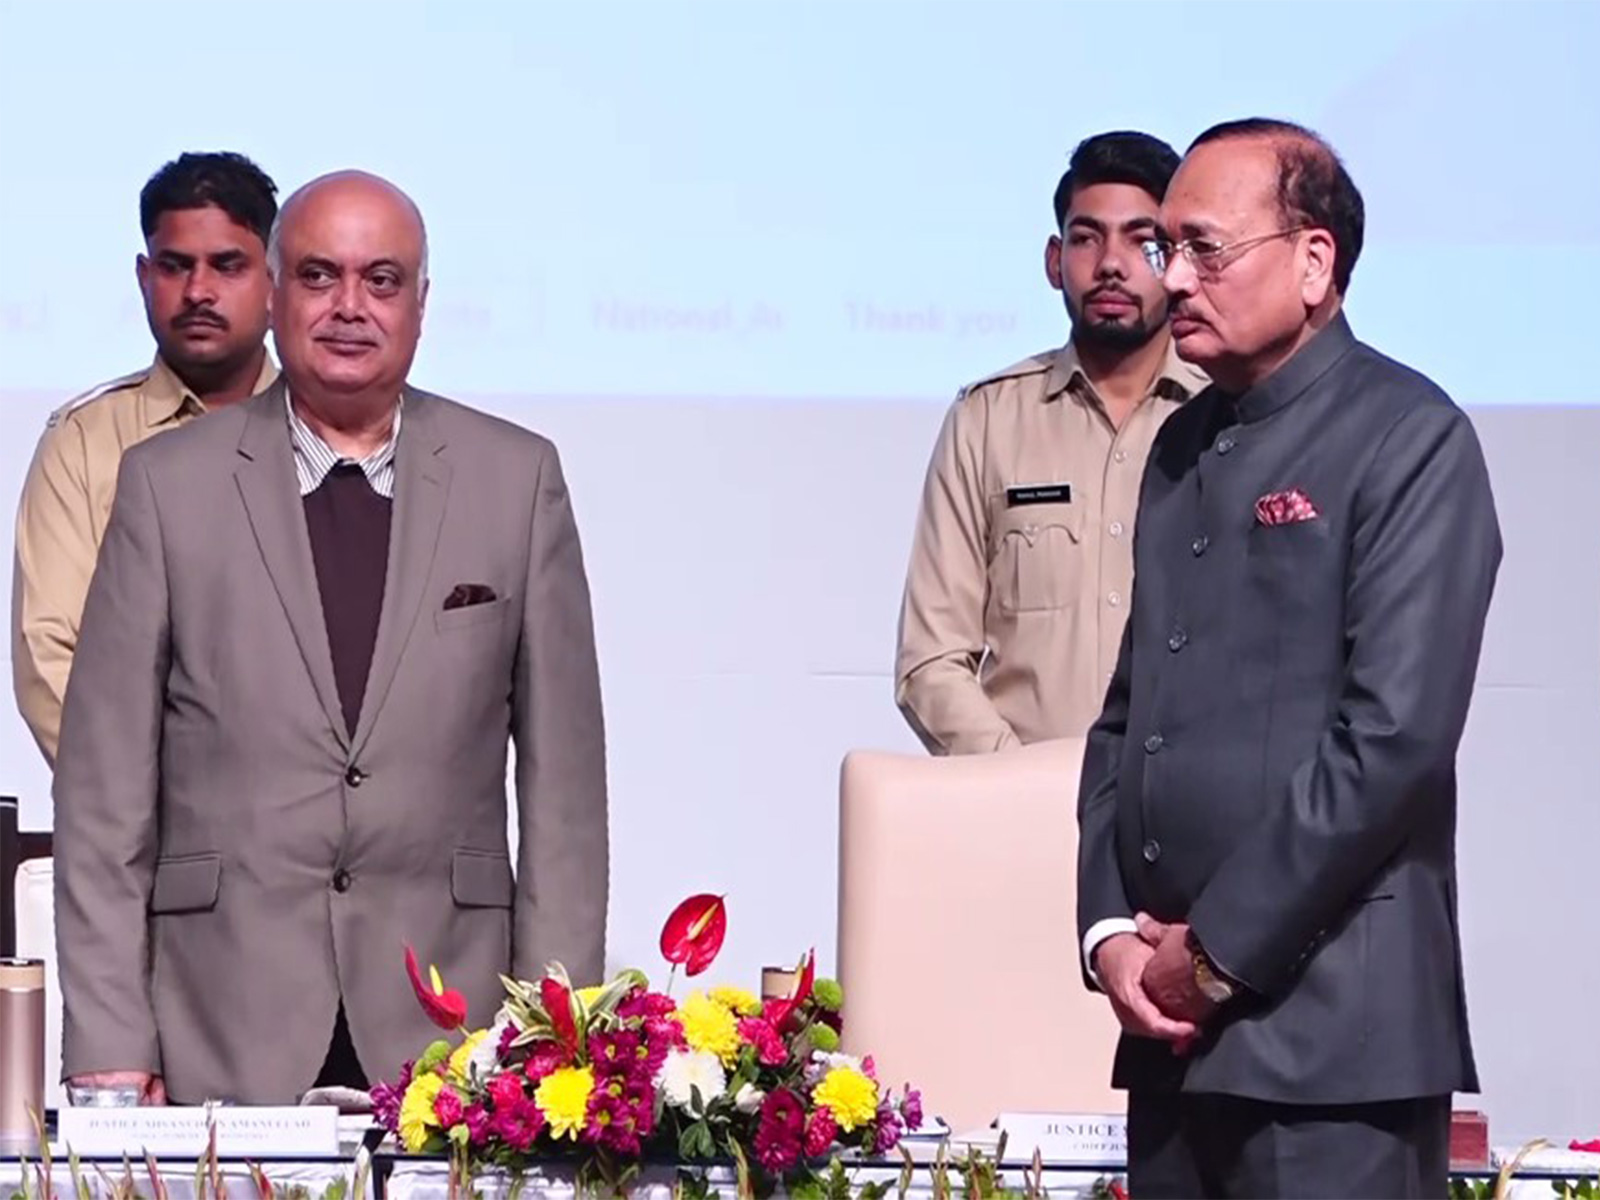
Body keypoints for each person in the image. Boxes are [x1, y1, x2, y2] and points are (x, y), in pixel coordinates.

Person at [53, 171, 609, 1105]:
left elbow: (564, 799)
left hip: (455, 1034)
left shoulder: (517, 481)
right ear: (274, 296)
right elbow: (104, 797)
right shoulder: (163, 486)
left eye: (382, 280)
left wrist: (551, 1040)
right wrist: (111, 1041)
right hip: (217, 1023)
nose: (350, 307)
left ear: (422, 305)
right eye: (320, 276)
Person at [1075, 118, 1501, 1198]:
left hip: (1330, 1046)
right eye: (1167, 250)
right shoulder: (1181, 445)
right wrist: (1113, 933)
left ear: (1313, 262)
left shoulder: (1408, 438)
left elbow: (1390, 738)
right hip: (1172, 1037)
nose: (1173, 281)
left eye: (1204, 249)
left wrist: (1212, 953)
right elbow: (1129, 719)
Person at [895, 131, 1207, 755]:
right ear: (1053, 260)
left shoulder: (1223, 416)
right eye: (1088, 238)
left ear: (1176, 263)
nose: (1112, 263)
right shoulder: (987, 420)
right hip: (1023, 815)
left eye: (1142, 242)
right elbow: (930, 661)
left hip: (1192, 825)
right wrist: (1019, 783)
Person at [13, 152, 280, 765]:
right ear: (143, 276)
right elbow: (49, 652)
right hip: (142, 830)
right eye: (175, 266)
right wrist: (156, 798)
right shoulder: (83, 440)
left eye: (227, 265)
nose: (198, 291)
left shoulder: (325, 433)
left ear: (275, 279)